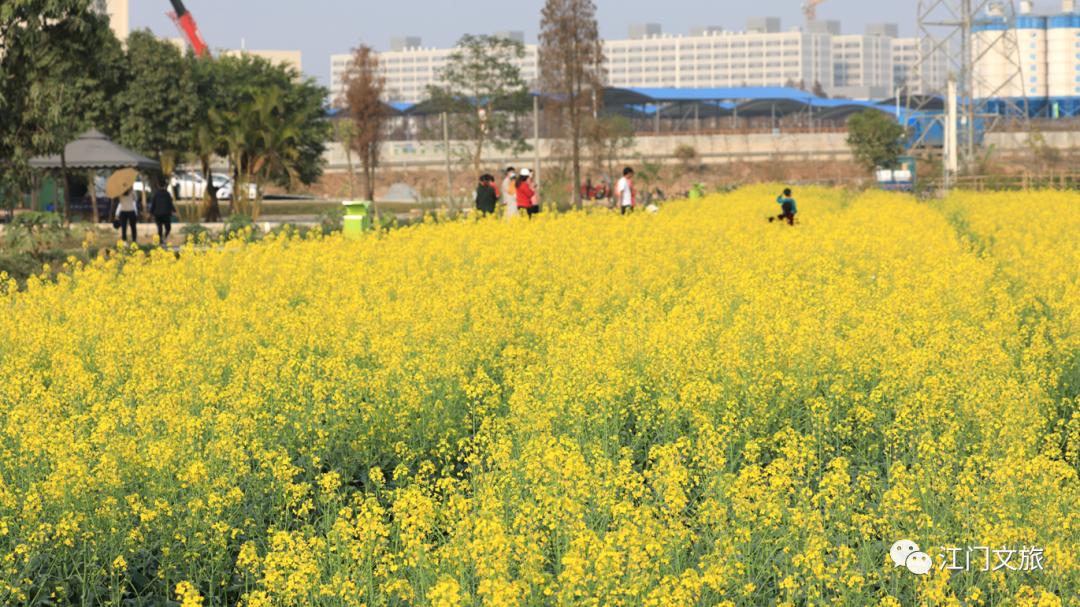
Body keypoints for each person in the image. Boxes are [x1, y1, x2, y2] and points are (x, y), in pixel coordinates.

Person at [149, 179, 176, 243]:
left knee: (159, 228)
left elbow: (153, 204)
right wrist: (174, 210)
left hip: (157, 214)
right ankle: (164, 237)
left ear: (158, 185)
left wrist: (151, 212)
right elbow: (170, 203)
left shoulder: (156, 194)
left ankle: (160, 239)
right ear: (165, 185)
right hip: (166, 214)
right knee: (168, 228)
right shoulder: (167, 194)